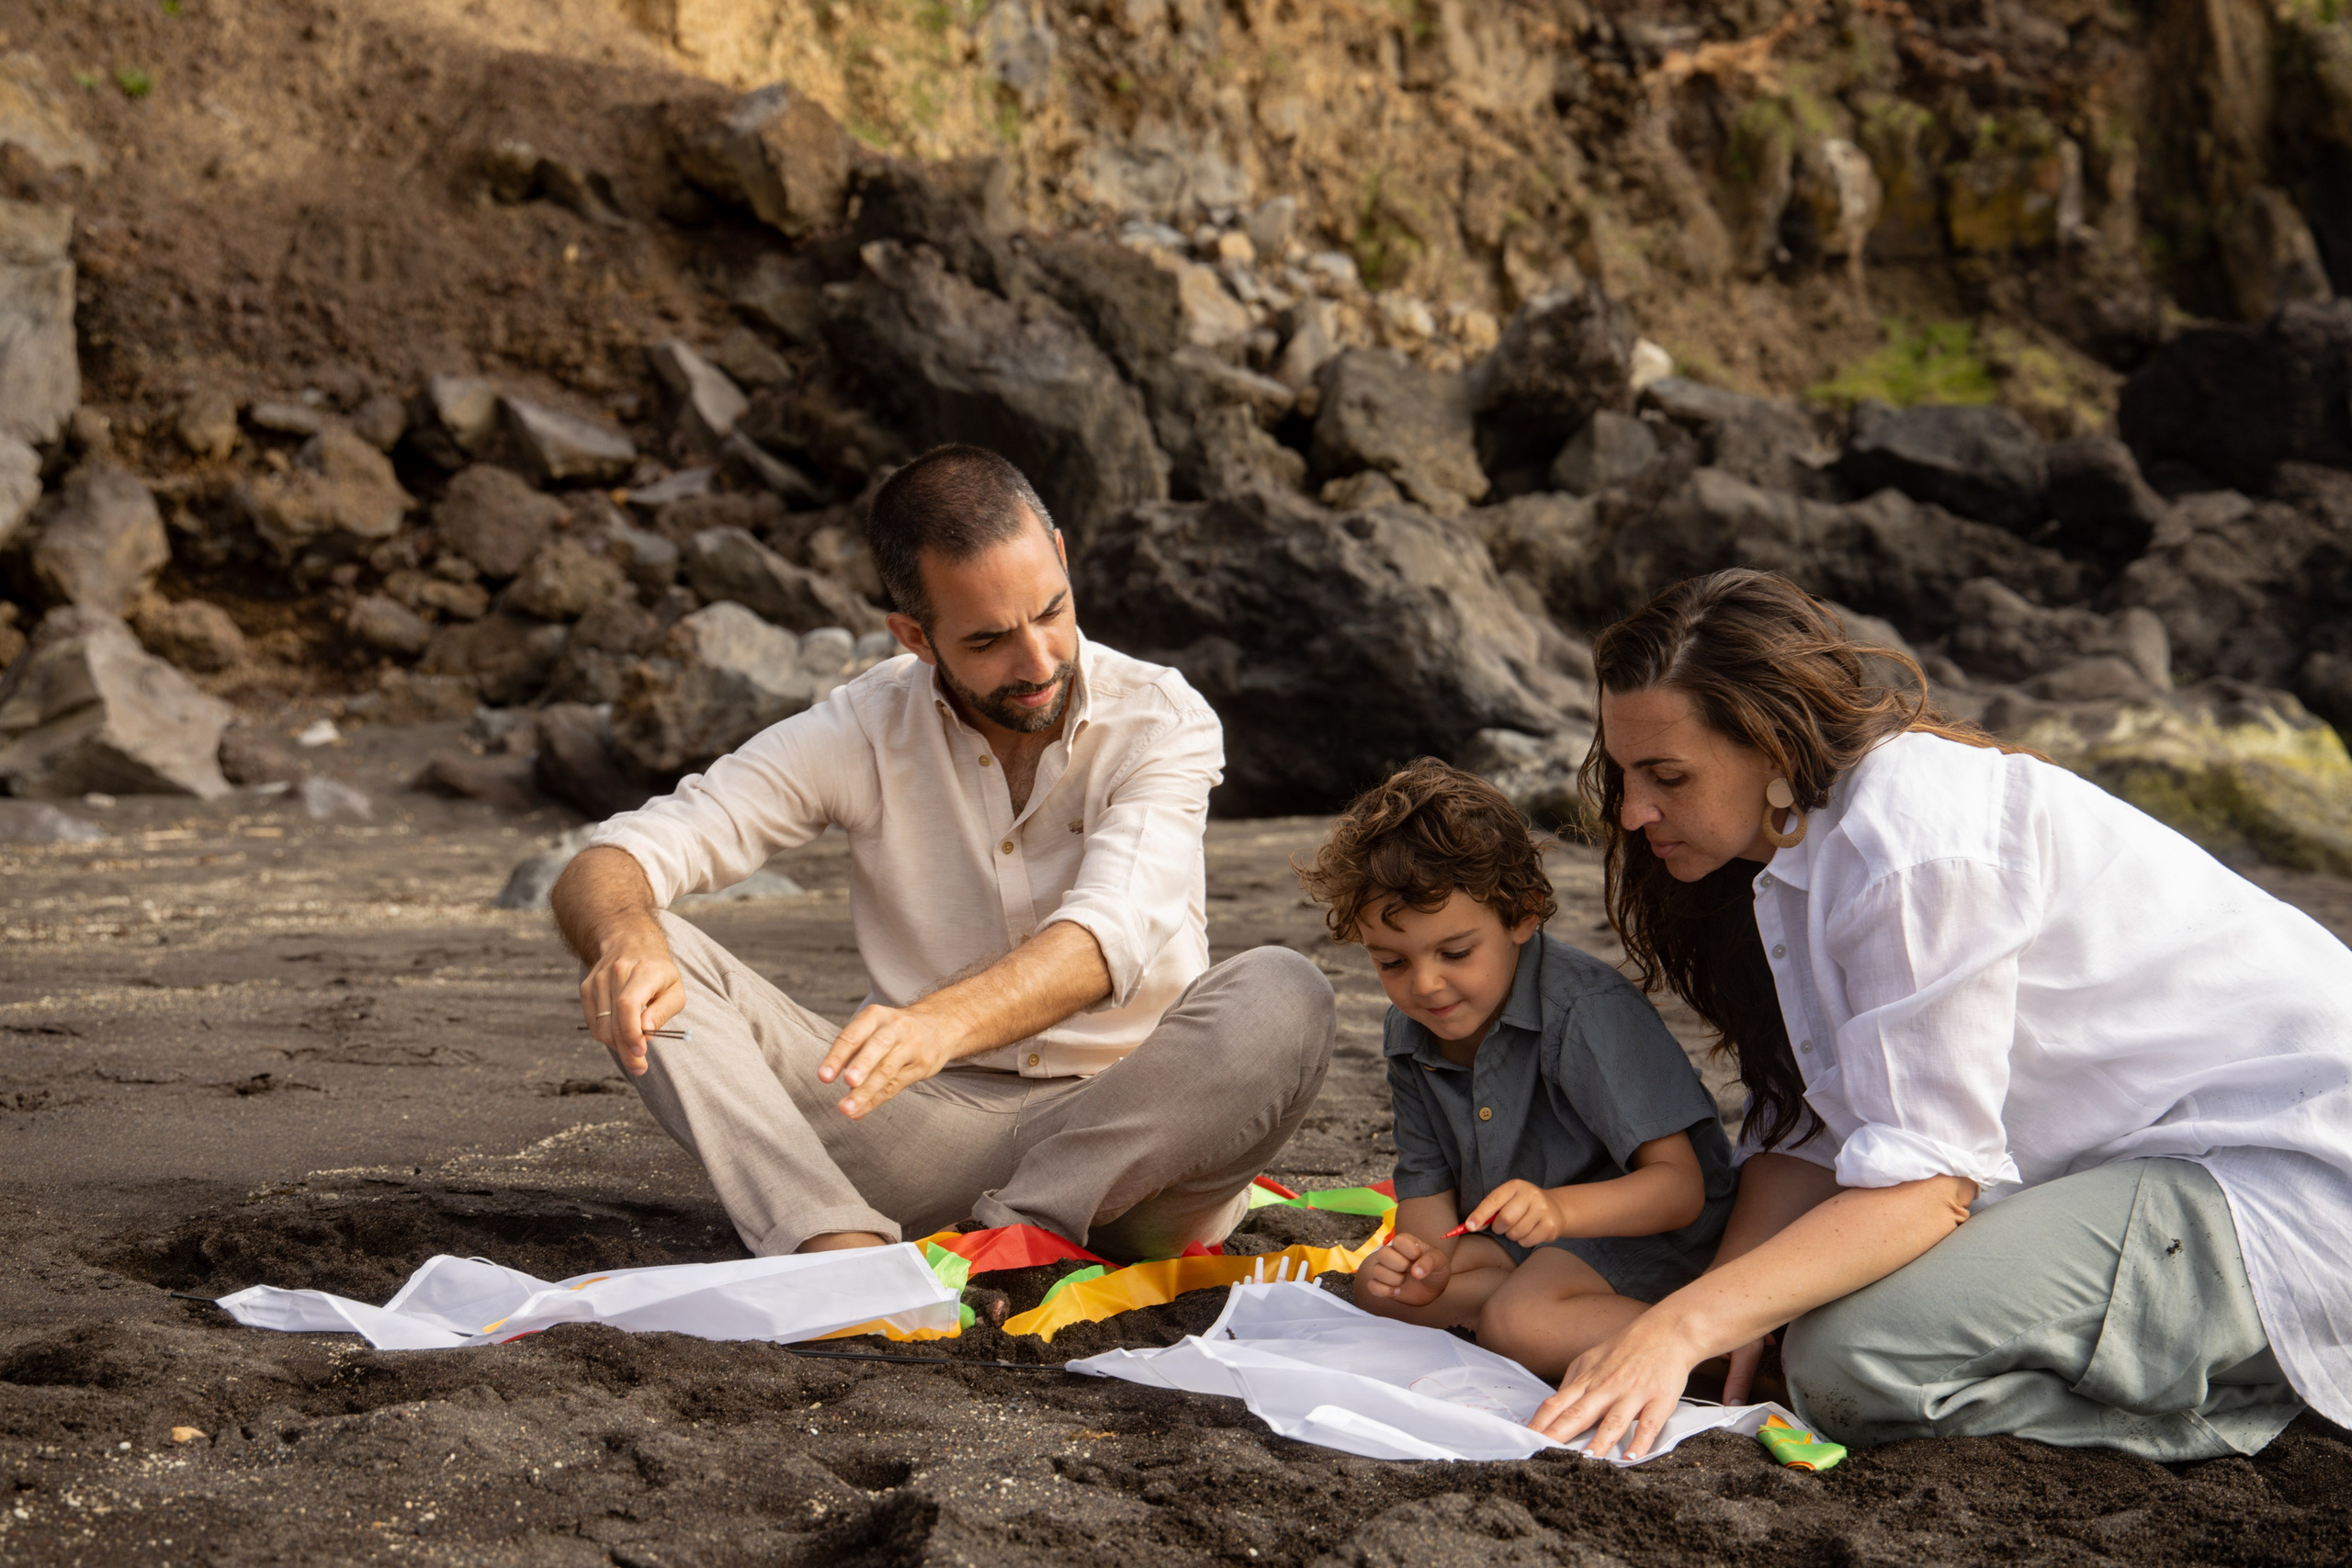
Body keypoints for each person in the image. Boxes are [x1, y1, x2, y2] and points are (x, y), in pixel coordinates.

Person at [1526, 567, 2352, 1464]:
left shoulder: (1908, 847)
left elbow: (1930, 1180)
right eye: (1621, 770)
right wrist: (1728, 1311)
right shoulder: (1796, 853)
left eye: (1666, 775)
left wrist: (1677, 1329)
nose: (1633, 809)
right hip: (2146, 1161)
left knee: (1850, 1359)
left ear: (1769, 744)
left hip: (2280, 1171)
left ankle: (2247, 1398)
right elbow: (1813, 1129)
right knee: (1776, 1315)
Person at [552, 445, 1335, 1263]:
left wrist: (941, 1021)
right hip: (921, 1134)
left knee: (1286, 991)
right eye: (990, 639)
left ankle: (1016, 1240)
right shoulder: (862, 725)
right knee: (641, 954)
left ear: (1062, 558)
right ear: (915, 635)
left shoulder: (1163, 718)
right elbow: (616, 854)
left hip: (1139, 1145)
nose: (1037, 662)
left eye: (1051, 611)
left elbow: (1108, 937)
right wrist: (624, 930)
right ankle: (834, 1246)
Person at [1297, 759, 1736, 1381]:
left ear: (1523, 914)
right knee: (1380, 1292)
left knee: (1518, 1324)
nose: (1425, 984)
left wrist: (1557, 1212)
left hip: (1647, 1235)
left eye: (1455, 952)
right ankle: (1556, 1309)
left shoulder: (1586, 1011)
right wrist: (1423, 1262)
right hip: (1531, 1240)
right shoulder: (1410, 1031)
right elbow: (1426, 1189)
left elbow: (1680, 1189)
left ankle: (1729, 1352)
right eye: (1391, 962)